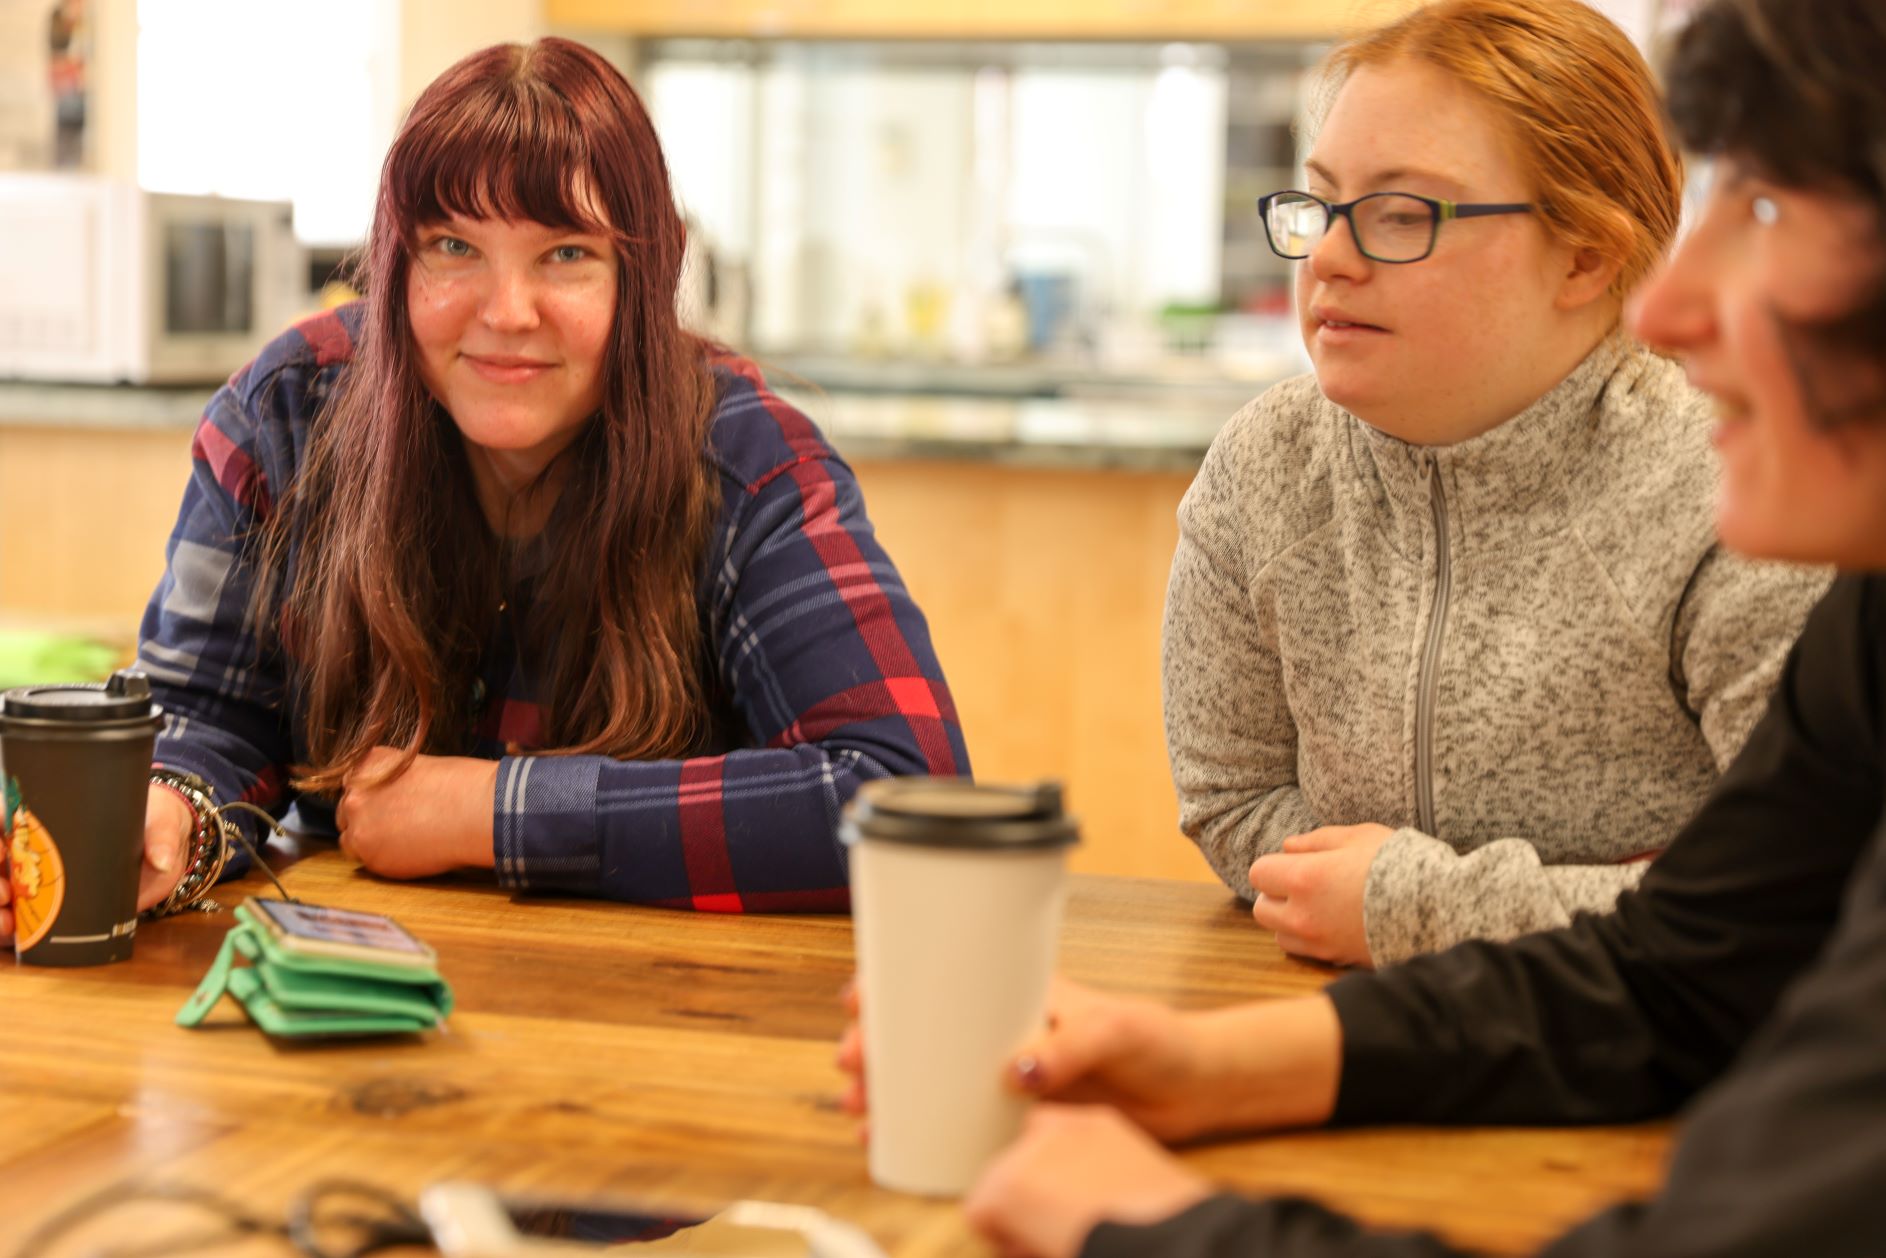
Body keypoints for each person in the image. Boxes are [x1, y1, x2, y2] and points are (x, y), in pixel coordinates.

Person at [838, 0, 1886, 1252]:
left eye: (1764, 208)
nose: (1669, 310)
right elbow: (1677, 969)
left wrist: (1166, 1229)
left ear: (1581, 258)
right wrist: (1204, 1062)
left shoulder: (1746, 509)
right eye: (1321, 203)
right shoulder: (1863, 624)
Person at [0, 37, 969, 945]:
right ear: (393, 264)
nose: (507, 315)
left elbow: (900, 795)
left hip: (660, 1022)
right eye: (453, 248)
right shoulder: (282, 417)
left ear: (644, 273)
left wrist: (488, 812)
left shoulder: (748, 459)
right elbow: (211, 714)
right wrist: (167, 812)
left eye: (566, 254)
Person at [1162, 0, 1827, 968]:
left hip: (1654, 1055)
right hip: (1340, 1020)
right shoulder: (1263, 466)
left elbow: (1790, 887)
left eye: (1399, 214)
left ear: (1585, 254)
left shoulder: (1727, 487)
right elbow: (1228, 801)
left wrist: (1411, 904)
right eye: (1320, 204)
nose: (1330, 260)